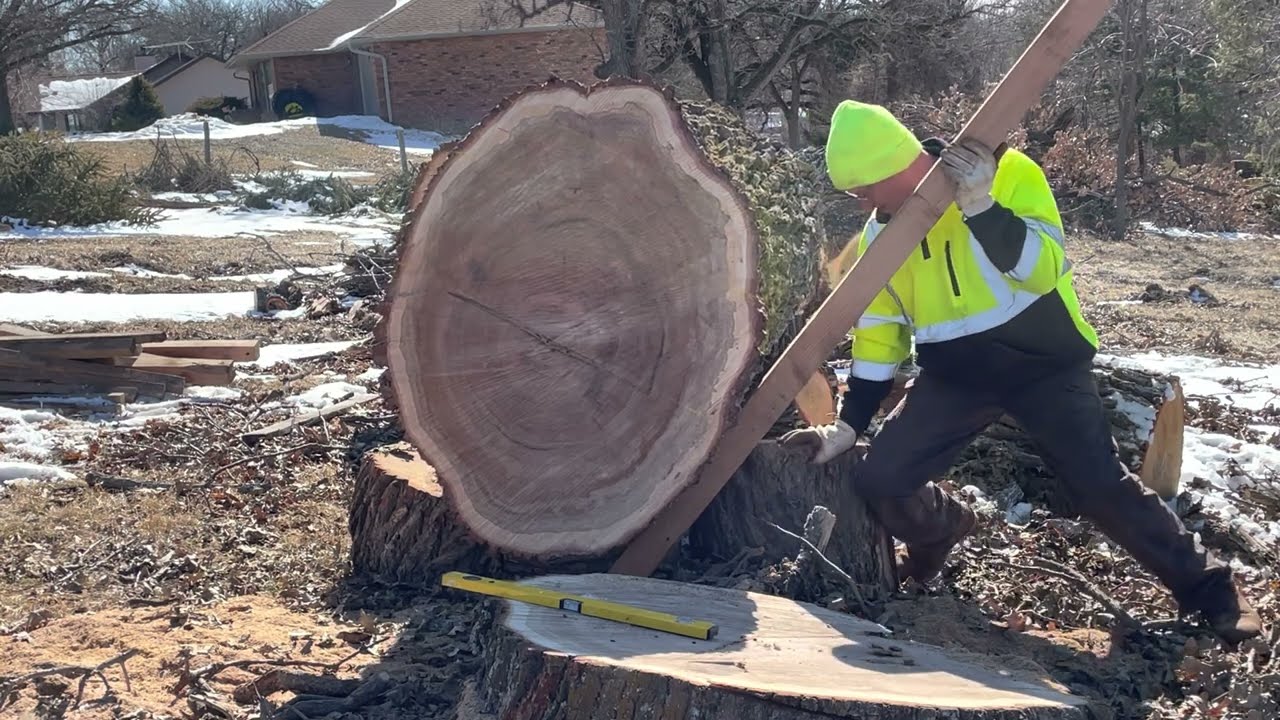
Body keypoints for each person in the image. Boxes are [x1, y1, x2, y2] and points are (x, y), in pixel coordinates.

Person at [781, 99, 1262, 644]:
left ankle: (1213, 592)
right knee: (882, 479)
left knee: (1099, 486)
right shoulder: (879, 238)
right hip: (955, 379)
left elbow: (1042, 270)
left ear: (894, 167)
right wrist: (850, 424)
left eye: (862, 187)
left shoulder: (1007, 174)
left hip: (1044, 367)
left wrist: (981, 205)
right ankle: (944, 529)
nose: (860, 202)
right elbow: (879, 332)